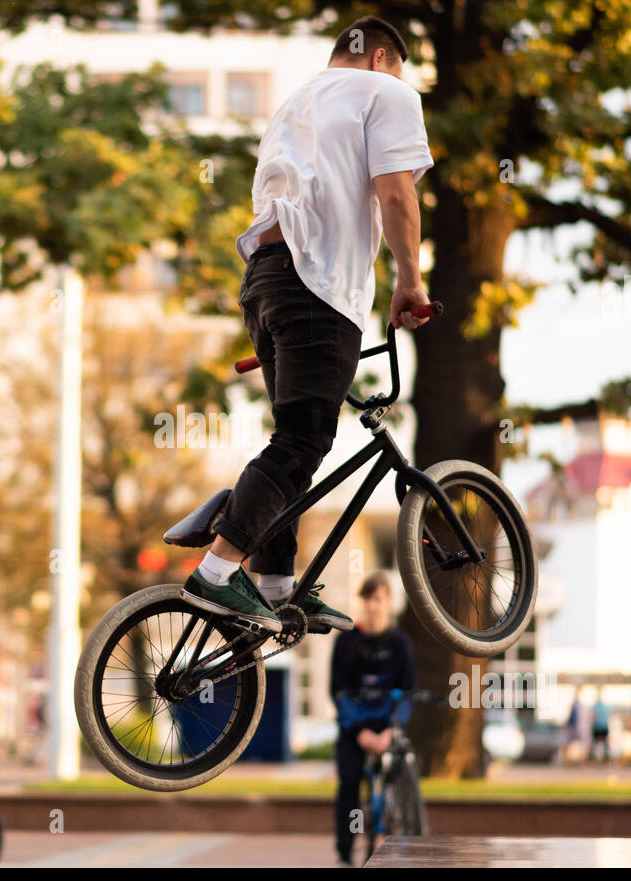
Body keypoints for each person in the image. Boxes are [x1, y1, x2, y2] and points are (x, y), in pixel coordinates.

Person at [181, 16, 434, 634]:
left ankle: (275, 586)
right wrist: (409, 280)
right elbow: (397, 193)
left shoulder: (294, 104)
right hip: (317, 284)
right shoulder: (389, 92)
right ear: (381, 58)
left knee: (293, 438)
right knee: (302, 442)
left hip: (264, 282)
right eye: (395, 67)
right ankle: (217, 574)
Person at [329, 572, 415, 866]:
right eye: (367, 600)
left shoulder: (401, 644)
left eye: (378, 600)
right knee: (349, 785)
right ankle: (346, 852)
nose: (372, 606)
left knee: (404, 770)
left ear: (388, 602)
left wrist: (393, 729)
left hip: (388, 726)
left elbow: (407, 692)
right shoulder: (347, 643)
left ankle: (404, 833)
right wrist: (359, 732)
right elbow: (338, 692)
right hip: (355, 728)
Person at [590, 687, 611, 763]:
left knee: (595, 743)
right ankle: (605, 758)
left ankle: (594, 758)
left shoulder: (595, 706)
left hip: (597, 727)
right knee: (604, 744)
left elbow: (593, 717)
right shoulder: (605, 706)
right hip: (604, 727)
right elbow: (608, 717)